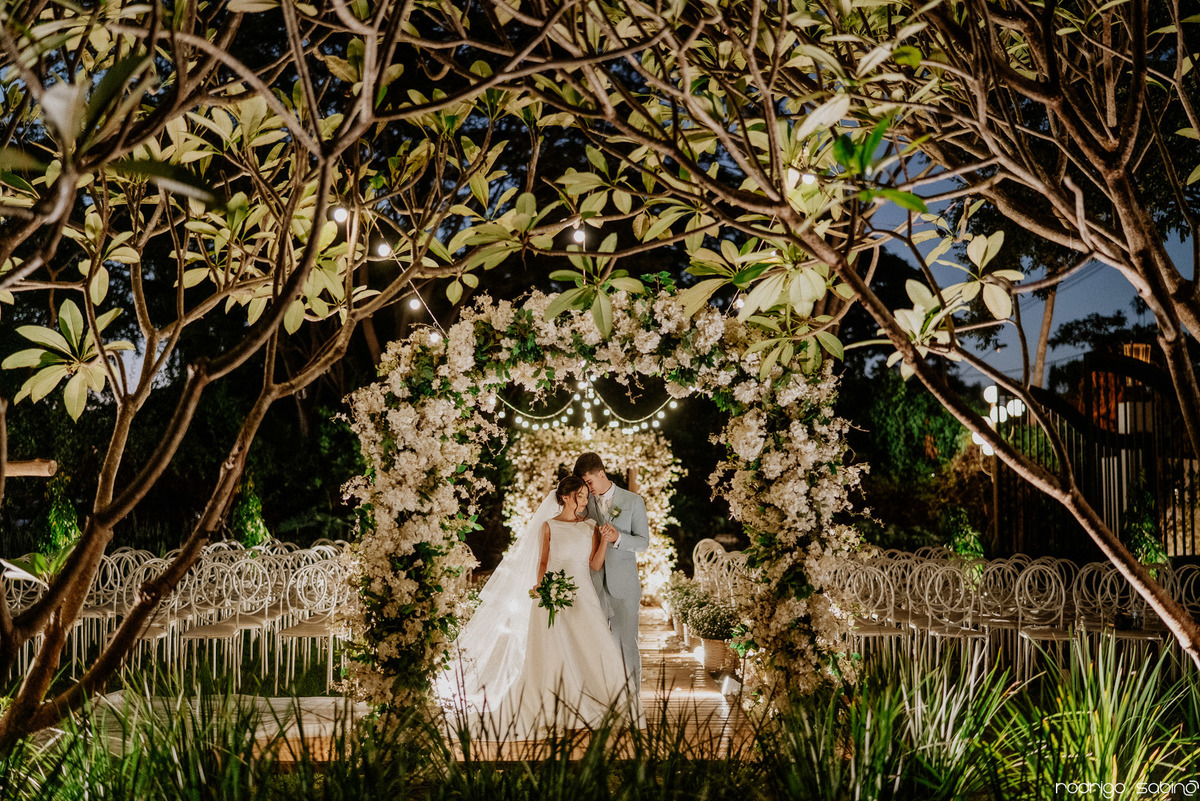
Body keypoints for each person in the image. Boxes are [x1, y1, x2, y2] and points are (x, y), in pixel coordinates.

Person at [440, 475, 637, 739]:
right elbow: (543, 562)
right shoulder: (548, 526)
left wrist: (603, 541)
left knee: (594, 645)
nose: (585, 499)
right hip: (551, 595)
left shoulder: (590, 525)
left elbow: (595, 564)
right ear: (565, 497)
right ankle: (556, 709)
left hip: (582, 596)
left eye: (585, 494)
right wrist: (542, 588)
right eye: (579, 495)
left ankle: (608, 705)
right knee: (552, 652)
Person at [574, 452, 649, 691]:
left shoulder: (633, 501)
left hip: (624, 586)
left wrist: (618, 538)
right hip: (591, 585)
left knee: (626, 646)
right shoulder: (582, 504)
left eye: (589, 482)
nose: (587, 489)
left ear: (601, 474)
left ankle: (632, 701)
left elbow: (643, 543)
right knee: (592, 647)